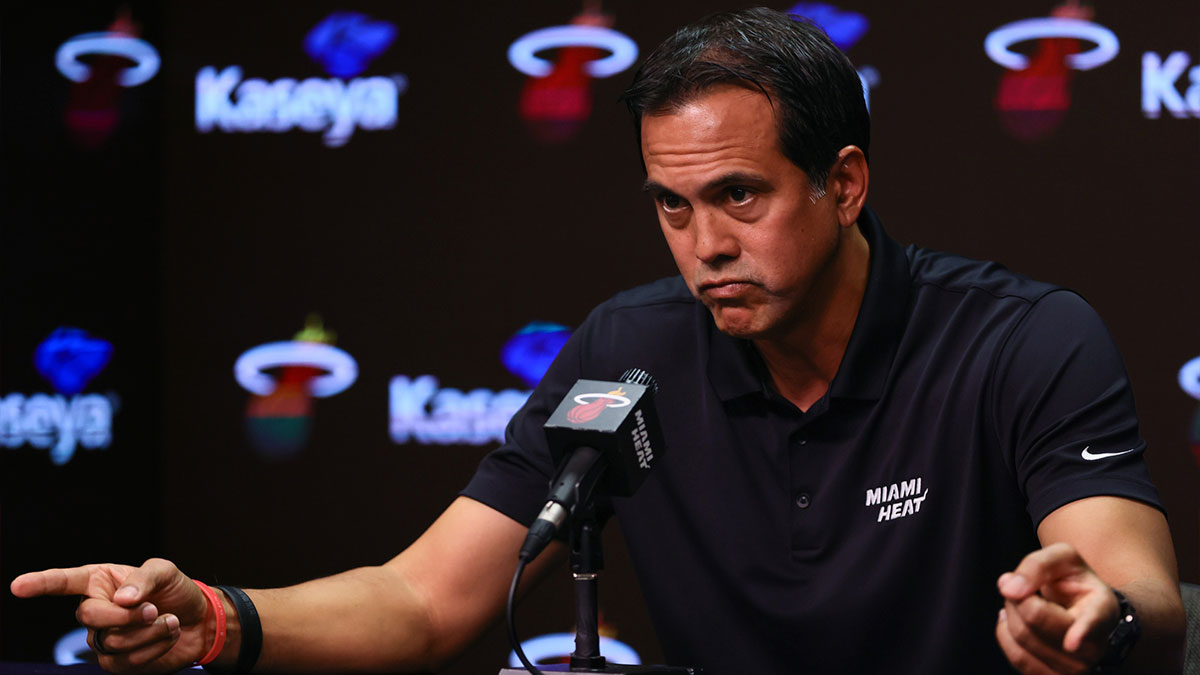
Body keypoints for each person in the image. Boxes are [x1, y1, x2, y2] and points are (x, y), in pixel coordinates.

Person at [10, 8, 1185, 674]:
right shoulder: (630, 354)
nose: (704, 245)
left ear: (844, 182)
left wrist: (1092, 607)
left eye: (738, 197)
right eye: (672, 207)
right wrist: (217, 618)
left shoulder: (1023, 338)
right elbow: (424, 601)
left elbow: (1135, 579)